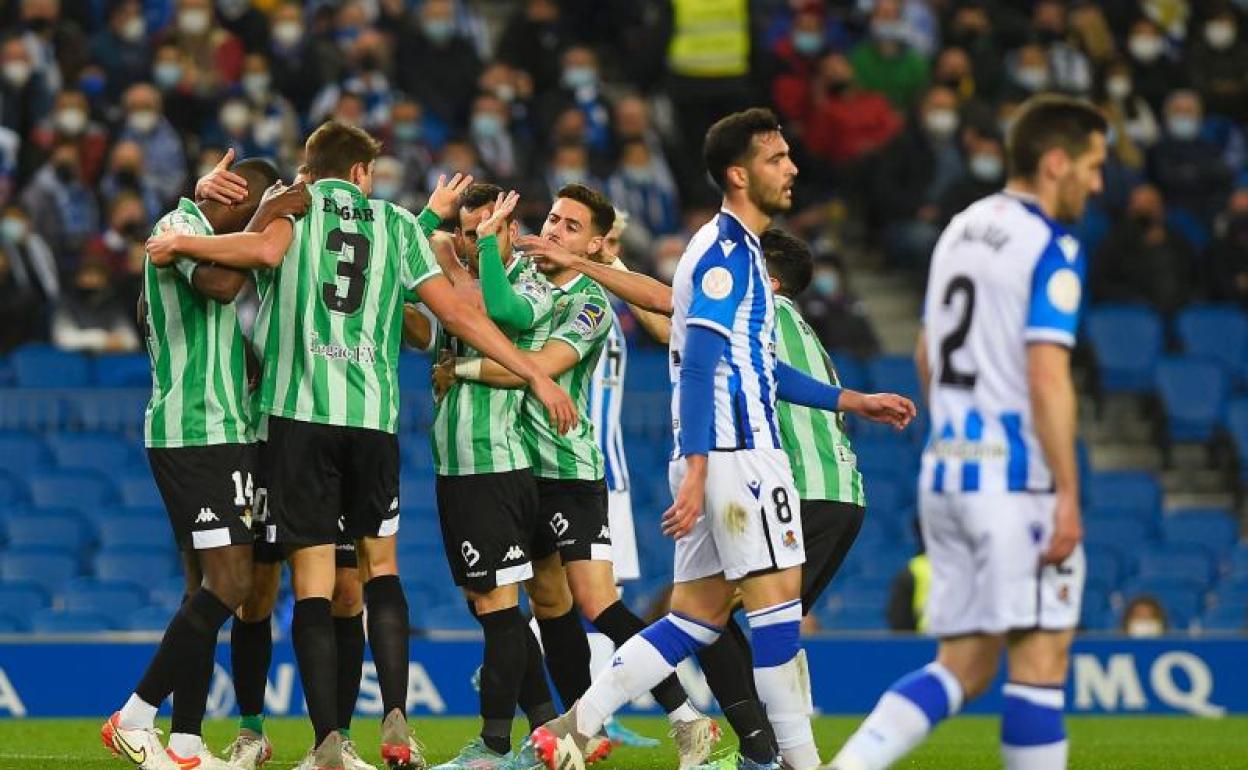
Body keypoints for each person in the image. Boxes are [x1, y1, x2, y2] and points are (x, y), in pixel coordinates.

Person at [143, 121, 576, 770]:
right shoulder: (398, 223)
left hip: (296, 420)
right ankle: (393, 716)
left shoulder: (291, 209)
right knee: (380, 571)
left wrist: (178, 234)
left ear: (312, 168)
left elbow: (251, 258)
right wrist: (535, 370)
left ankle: (324, 743)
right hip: (372, 422)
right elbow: (452, 318)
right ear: (360, 174)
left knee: (312, 588)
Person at [527, 107, 915, 770]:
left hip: (721, 461)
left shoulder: (721, 253)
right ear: (738, 174)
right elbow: (703, 362)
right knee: (776, 626)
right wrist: (706, 469)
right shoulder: (730, 255)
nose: (791, 167)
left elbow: (749, 358)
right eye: (775, 158)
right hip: (741, 460)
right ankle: (796, 762)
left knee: (694, 622)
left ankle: (577, 724)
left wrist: (850, 399)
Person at [824, 94, 1106, 770]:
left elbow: (926, 349)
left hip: (948, 471)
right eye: (1092, 167)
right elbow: (1046, 375)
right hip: (1014, 479)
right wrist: (1067, 492)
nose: (1098, 184)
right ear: (1056, 162)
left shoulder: (961, 228)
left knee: (966, 665)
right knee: (1041, 660)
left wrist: (954, 428)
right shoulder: (1051, 246)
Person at [437, 186, 717, 770]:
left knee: (598, 602)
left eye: (570, 226)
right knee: (548, 608)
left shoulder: (591, 300)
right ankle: (568, 734)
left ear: (593, 243)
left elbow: (539, 369)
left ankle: (688, 718)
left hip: (569, 470)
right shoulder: (525, 283)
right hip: (520, 467)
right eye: (553, 219)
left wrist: (459, 366)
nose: (555, 230)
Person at [98, 157, 297, 770]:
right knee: (233, 585)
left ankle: (185, 738)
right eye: (257, 213)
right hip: (195, 432)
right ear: (239, 200)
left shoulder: (190, 235)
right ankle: (135, 717)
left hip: (216, 429)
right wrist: (270, 217)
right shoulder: (177, 224)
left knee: (203, 587)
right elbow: (220, 286)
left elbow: (159, 311)